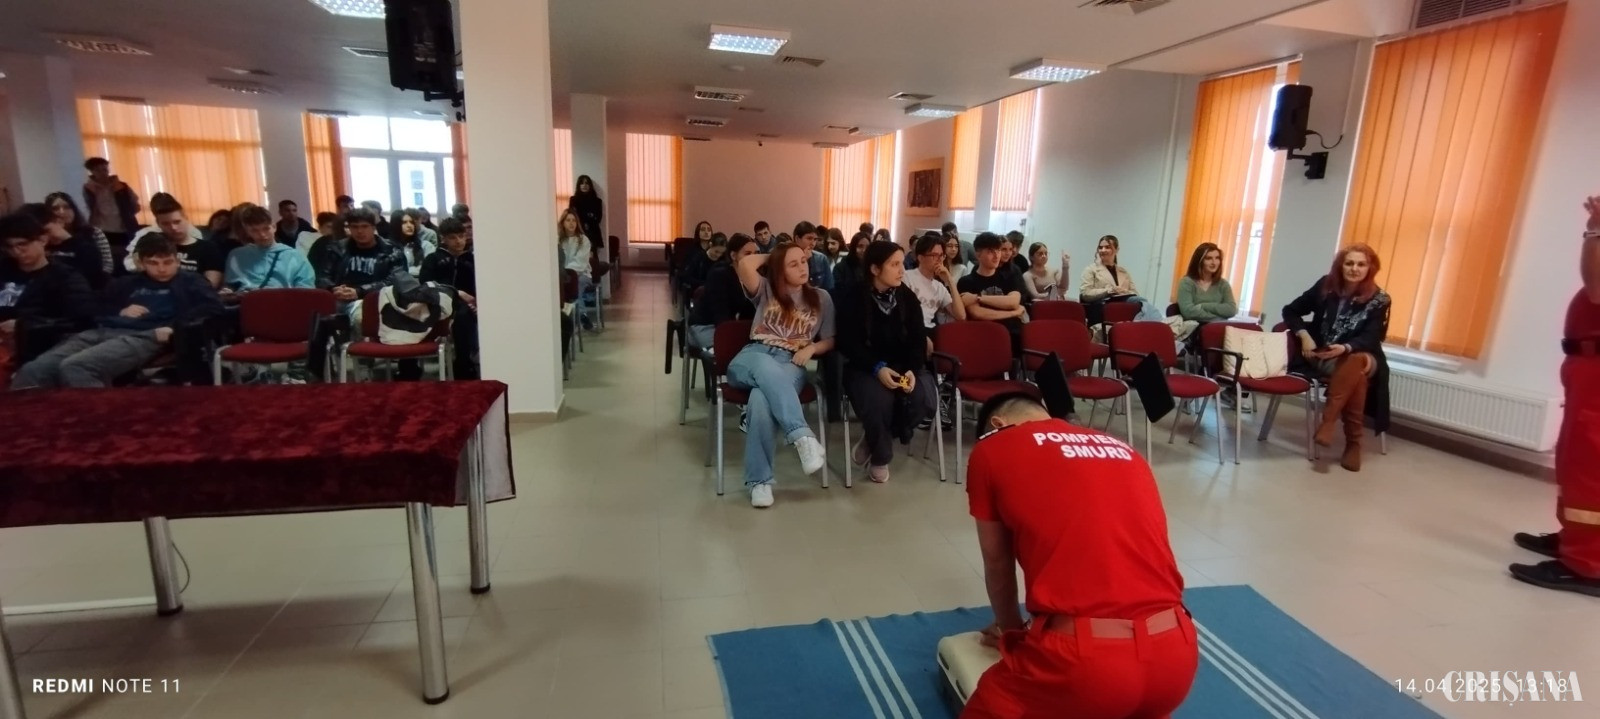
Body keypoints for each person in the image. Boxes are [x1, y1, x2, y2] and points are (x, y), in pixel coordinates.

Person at [961, 392, 1197, 719]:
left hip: (1085, 665)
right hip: (1176, 659)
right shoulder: (1121, 447)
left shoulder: (992, 446)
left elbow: (997, 562)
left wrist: (1011, 633)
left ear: (998, 425)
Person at [1510, 194, 1600, 598]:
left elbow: (1597, 288)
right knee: (1572, 460)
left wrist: (1596, 230)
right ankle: (1572, 540)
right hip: (1587, 369)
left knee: (1590, 468)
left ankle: (1588, 564)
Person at [10, 234, 223, 390]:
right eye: (153, 263)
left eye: (168, 262)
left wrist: (173, 328)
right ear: (141, 263)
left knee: (78, 366)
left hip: (147, 335)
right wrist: (120, 311)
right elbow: (92, 307)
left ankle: (98, 423)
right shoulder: (125, 283)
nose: (161, 268)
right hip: (101, 331)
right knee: (33, 370)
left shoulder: (191, 282)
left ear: (177, 261)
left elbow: (213, 308)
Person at [729, 241, 835, 508]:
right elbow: (745, 264)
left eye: (804, 261)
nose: (802, 267)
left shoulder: (821, 297)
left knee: (760, 399)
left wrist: (812, 348)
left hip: (792, 361)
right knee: (765, 368)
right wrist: (776, 256)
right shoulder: (767, 289)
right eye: (793, 264)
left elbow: (830, 339)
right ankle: (802, 437)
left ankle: (759, 482)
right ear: (779, 270)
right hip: (754, 354)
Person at [1282, 244, 1391, 472]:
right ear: (1340, 266)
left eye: (1361, 264)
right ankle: (1353, 444)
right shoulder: (1325, 286)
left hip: (1364, 354)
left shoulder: (1380, 299)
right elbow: (1290, 310)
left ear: (1370, 268)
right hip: (1326, 354)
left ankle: (1329, 420)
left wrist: (1346, 347)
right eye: (1349, 263)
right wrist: (1304, 335)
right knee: (1357, 377)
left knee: (1356, 361)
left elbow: (1373, 336)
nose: (1354, 269)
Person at [837, 241, 934, 483]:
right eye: (894, 264)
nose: (902, 270)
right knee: (879, 401)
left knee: (921, 399)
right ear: (874, 269)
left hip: (903, 367)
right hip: (865, 367)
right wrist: (877, 368)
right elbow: (848, 342)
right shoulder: (853, 296)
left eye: (902, 263)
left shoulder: (907, 297)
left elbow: (918, 339)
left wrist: (912, 369)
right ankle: (880, 458)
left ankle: (872, 439)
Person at [1, 212, 98, 382]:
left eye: (22, 244)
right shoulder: (4, 270)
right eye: (10, 247)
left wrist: (23, 325)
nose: (16, 252)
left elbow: (81, 320)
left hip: (38, 345)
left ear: (43, 240)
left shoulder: (66, 277)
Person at [122, 194, 224, 288]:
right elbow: (137, 270)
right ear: (158, 224)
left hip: (193, 295)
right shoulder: (151, 243)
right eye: (166, 224)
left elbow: (211, 285)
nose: (173, 228)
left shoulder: (208, 248)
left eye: (177, 222)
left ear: (186, 218)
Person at [420, 217, 479, 380]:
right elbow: (426, 285)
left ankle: (464, 361)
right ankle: (463, 363)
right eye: (453, 237)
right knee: (462, 315)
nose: (459, 241)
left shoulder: (472, 259)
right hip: (438, 302)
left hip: (469, 305)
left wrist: (476, 301)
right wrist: (457, 292)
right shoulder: (433, 259)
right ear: (443, 238)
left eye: (461, 236)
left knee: (465, 315)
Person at [958, 232, 1028, 355]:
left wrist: (978, 297)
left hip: (1012, 335)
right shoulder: (966, 281)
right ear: (978, 254)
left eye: (998, 250)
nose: (996, 256)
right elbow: (977, 313)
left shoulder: (1009, 277)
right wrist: (1014, 313)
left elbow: (1013, 302)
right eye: (991, 251)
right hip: (983, 336)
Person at [327, 208, 408, 314]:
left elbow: (395, 280)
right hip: (339, 298)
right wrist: (334, 289)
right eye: (354, 227)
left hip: (376, 300)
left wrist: (360, 291)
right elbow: (323, 276)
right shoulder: (338, 248)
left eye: (364, 226)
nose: (360, 231)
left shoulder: (391, 250)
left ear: (373, 227)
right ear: (349, 228)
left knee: (360, 315)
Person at [686, 234, 758, 351]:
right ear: (733, 255)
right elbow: (720, 314)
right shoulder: (719, 274)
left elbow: (749, 311)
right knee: (734, 350)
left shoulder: (751, 276)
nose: (753, 258)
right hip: (705, 326)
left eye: (756, 253)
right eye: (748, 254)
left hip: (729, 325)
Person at [222, 204, 316, 294]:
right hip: (246, 302)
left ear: (274, 227)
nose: (262, 235)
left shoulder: (295, 257)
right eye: (255, 230)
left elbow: (305, 290)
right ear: (247, 232)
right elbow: (231, 284)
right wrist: (228, 291)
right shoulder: (237, 256)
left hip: (283, 302)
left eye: (266, 229)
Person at [22, 203, 107, 290]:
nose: (43, 237)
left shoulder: (83, 246)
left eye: (46, 230)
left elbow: (93, 277)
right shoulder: (35, 249)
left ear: (59, 222)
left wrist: (68, 238)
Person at [1174, 243, 1239, 342]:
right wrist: (1219, 317)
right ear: (1199, 261)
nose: (1214, 262)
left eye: (1217, 258)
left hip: (1219, 332)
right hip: (1194, 333)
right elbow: (1188, 312)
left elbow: (1231, 310)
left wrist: (1204, 306)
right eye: (1209, 258)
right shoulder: (1186, 283)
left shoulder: (1223, 284)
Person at [43, 193, 113, 278]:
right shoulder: (44, 237)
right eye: (55, 208)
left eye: (67, 207)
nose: (62, 212)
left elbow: (107, 266)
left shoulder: (93, 232)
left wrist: (69, 239)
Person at [81, 157, 141, 252]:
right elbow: (87, 209)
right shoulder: (88, 189)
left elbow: (135, 204)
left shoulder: (121, 186)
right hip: (103, 230)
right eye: (98, 170)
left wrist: (129, 213)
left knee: (128, 253)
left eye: (105, 169)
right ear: (92, 171)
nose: (103, 173)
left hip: (125, 228)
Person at [558, 209, 599, 324]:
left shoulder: (583, 240)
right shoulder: (558, 240)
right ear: (563, 223)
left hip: (582, 274)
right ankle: (577, 315)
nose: (571, 223)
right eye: (568, 220)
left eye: (574, 220)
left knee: (576, 284)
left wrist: (568, 273)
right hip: (563, 275)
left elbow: (580, 262)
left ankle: (578, 315)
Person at [680, 232, 727, 300]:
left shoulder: (724, 260)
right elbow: (686, 277)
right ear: (710, 245)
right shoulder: (699, 258)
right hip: (701, 293)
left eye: (721, 253)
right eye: (716, 251)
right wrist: (705, 284)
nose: (718, 255)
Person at [390, 209, 437, 276]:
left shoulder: (426, 246)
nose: (409, 225)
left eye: (411, 222)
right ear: (396, 225)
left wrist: (406, 270)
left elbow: (429, 268)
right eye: (404, 222)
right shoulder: (389, 247)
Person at [793, 221, 834, 292]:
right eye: (809, 238)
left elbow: (829, 287)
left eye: (815, 239)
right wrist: (804, 260)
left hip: (818, 297)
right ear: (797, 239)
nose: (813, 243)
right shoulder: (787, 258)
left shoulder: (821, 258)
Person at [569, 175, 605, 247]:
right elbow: (572, 216)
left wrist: (583, 216)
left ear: (590, 186)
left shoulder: (597, 201)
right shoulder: (573, 200)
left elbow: (598, 218)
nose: (584, 185)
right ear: (579, 185)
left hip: (592, 232)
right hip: (578, 231)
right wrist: (589, 215)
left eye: (586, 183)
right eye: (582, 183)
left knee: (592, 253)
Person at [831, 232, 870, 299]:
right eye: (860, 246)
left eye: (868, 247)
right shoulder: (841, 267)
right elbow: (838, 294)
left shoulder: (872, 267)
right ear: (853, 247)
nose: (864, 250)